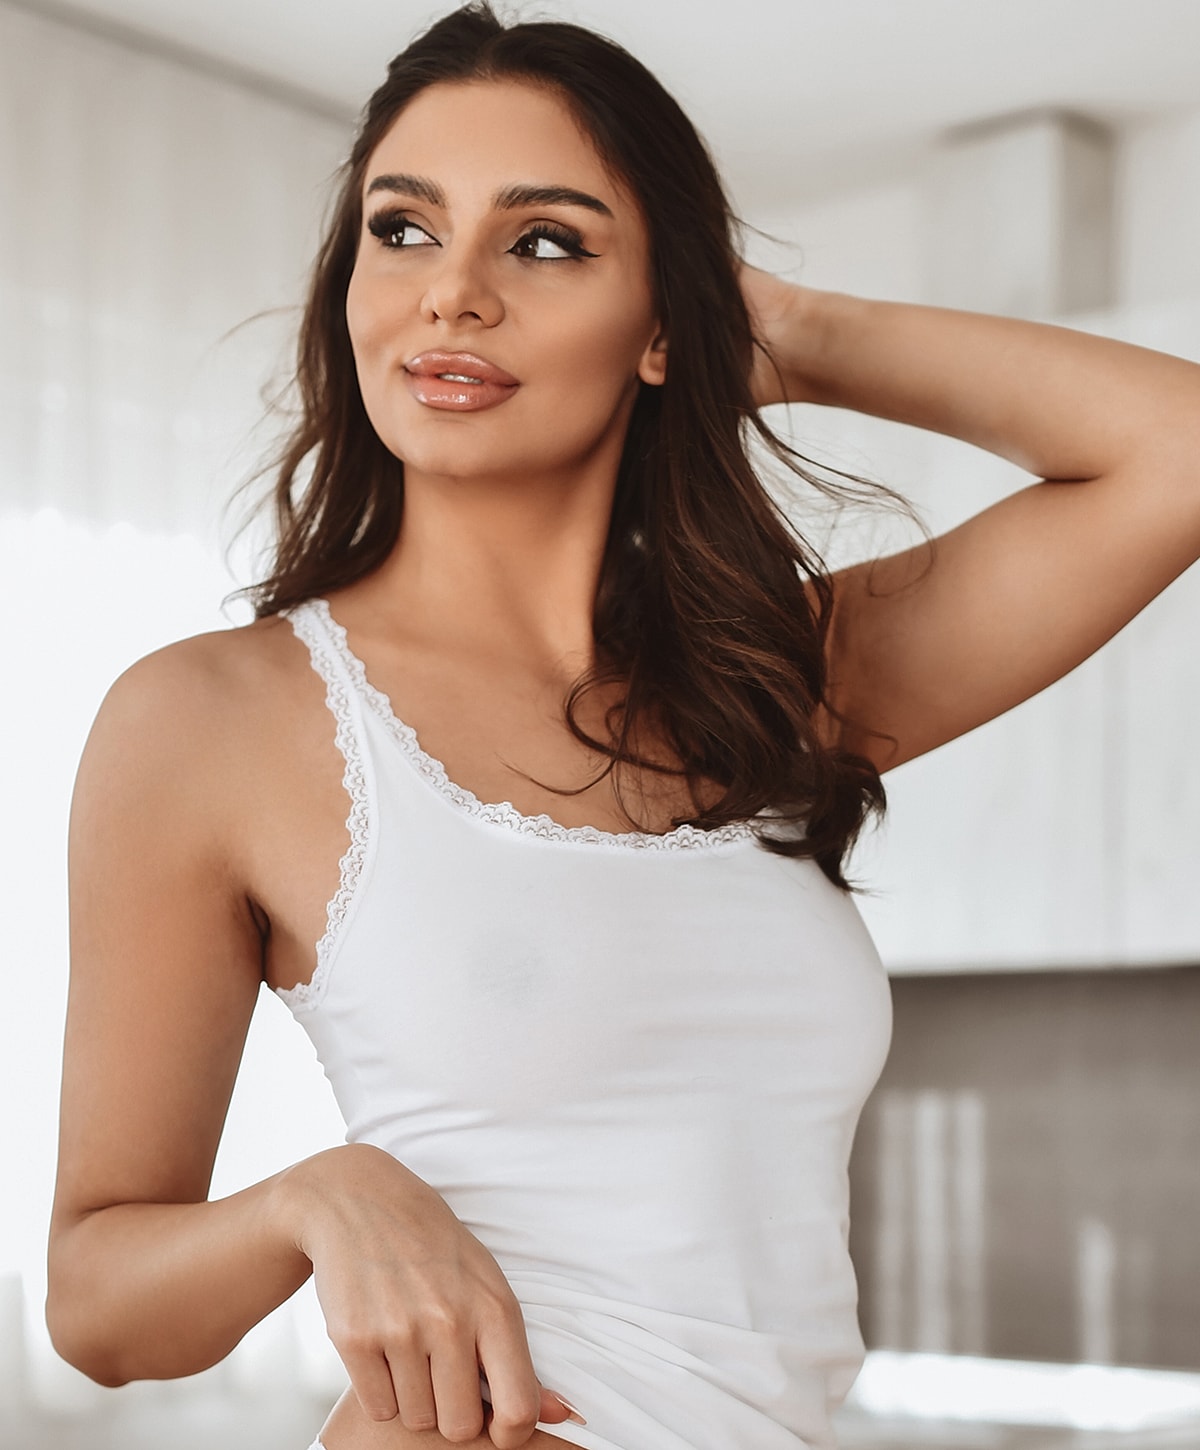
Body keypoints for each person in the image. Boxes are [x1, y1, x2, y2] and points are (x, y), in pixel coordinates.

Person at [45, 4, 1200, 1449]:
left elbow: (1180, 454)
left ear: (659, 324)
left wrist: (793, 332)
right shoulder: (213, 719)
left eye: (544, 243)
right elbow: (94, 1301)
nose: (452, 292)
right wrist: (320, 1195)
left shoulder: (780, 681)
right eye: (402, 228)